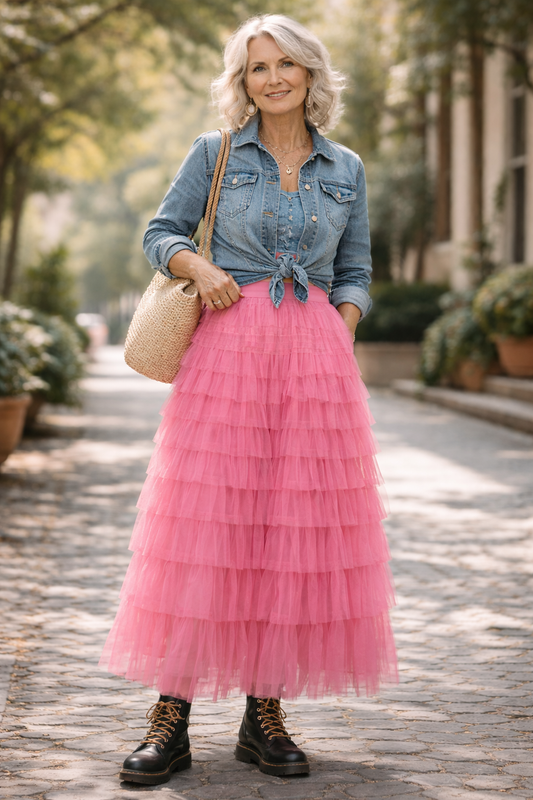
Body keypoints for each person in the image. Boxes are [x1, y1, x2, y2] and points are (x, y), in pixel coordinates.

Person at [100, 13, 397, 786]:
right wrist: (199, 271)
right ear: (242, 80)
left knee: (289, 531)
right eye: (256, 67)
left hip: (314, 364)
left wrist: (341, 327)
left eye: (285, 65)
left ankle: (263, 717)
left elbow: (358, 266)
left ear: (308, 74)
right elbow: (160, 232)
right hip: (226, 354)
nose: (272, 79)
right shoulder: (215, 153)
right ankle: (170, 717)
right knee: (203, 529)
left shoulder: (346, 168)